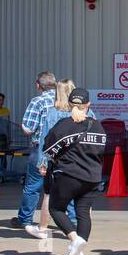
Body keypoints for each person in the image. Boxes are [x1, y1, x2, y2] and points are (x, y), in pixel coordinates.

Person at [39, 87, 107, 255]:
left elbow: (47, 148)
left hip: (68, 175)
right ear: (88, 105)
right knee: (83, 213)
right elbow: (102, 150)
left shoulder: (64, 125)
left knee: (56, 208)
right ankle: (79, 252)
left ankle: (74, 239)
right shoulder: (98, 126)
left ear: (69, 104)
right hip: (92, 176)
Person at [25, 79, 85, 240]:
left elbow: (46, 139)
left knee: (49, 194)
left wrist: (43, 161)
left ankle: (43, 228)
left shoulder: (53, 113)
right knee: (77, 195)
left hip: (58, 160)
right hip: (80, 160)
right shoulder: (86, 113)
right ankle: (76, 226)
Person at [14, 70, 57, 228]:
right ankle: (71, 219)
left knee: (33, 186)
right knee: (64, 184)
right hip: (63, 149)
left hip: (41, 148)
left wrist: (24, 127)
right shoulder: (65, 100)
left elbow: (28, 128)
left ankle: (25, 219)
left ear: (38, 85)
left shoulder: (38, 101)